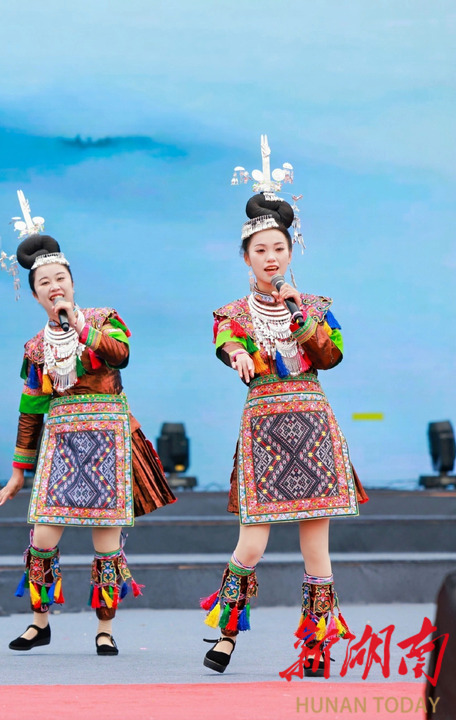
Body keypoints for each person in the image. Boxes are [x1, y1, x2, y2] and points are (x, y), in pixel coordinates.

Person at [201, 137, 367, 675]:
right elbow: (228, 345)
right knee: (251, 545)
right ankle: (227, 634)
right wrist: (237, 355)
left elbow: (331, 356)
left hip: (313, 427)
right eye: (260, 250)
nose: (271, 258)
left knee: (316, 550)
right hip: (265, 432)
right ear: (246, 257)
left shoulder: (315, 306)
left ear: (290, 253)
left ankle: (317, 645)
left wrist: (302, 315)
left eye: (278, 248)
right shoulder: (231, 314)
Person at [0, 191, 176, 655]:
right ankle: (39, 623)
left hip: (107, 440)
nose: (54, 286)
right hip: (61, 445)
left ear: (73, 283)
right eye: (45, 282)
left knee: (106, 543)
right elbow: (31, 410)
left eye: (61, 278)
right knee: (42, 537)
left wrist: (81, 328)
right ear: (34, 293)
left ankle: (105, 629)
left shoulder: (103, 320)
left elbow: (121, 355)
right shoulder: (35, 348)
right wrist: (18, 471)